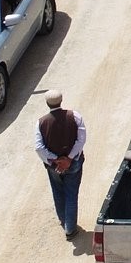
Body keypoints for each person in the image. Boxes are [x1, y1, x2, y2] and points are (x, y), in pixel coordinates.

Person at [34, 91, 87, 239]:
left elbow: (38, 147)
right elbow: (81, 140)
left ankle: (64, 221)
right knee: (71, 194)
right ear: (61, 100)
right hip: (74, 163)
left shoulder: (41, 122)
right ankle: (70, 229)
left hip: (53, 167)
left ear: (47, 103)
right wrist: (68, 158)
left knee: (58, 191)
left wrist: (54, 159)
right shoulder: (75, 116)